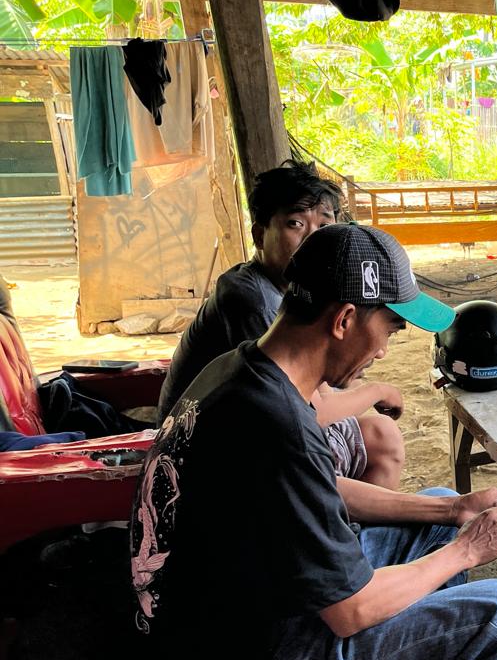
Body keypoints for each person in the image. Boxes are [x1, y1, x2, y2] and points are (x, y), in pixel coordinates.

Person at [129, 223, 497, 660]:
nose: (383, 351)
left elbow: (316, 487)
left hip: (218, 616)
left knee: (441, 511)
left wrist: (454, 510)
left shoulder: (241, 370)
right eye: (388, 329)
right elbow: (351, 611)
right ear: (344, 319)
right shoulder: (277, 424)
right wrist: (470, 549)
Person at [157, 161, 407, 489]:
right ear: (260, 234)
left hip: (258, 430)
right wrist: (379, 391)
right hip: (213, 457)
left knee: (384, 435)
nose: (314, 237)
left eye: (324, 224)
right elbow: (314, 410)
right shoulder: (253, 300)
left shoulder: (286, 291)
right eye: (295, 224)